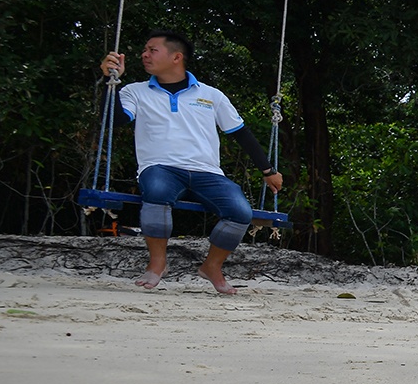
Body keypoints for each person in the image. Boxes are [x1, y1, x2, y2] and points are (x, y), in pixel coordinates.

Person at [97, 30, 285, 293]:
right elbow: (115, 120)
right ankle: (157, 263)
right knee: (158, 191)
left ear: (176, 57)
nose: (144, 54)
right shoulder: (135, 92)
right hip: (160, 167)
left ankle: (212, 266)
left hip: (207, 172)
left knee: (240, 211)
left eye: (152, 50)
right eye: (144, 49)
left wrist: (267, 170)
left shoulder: (211, 95)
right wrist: (110, 81)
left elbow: (240, 133)